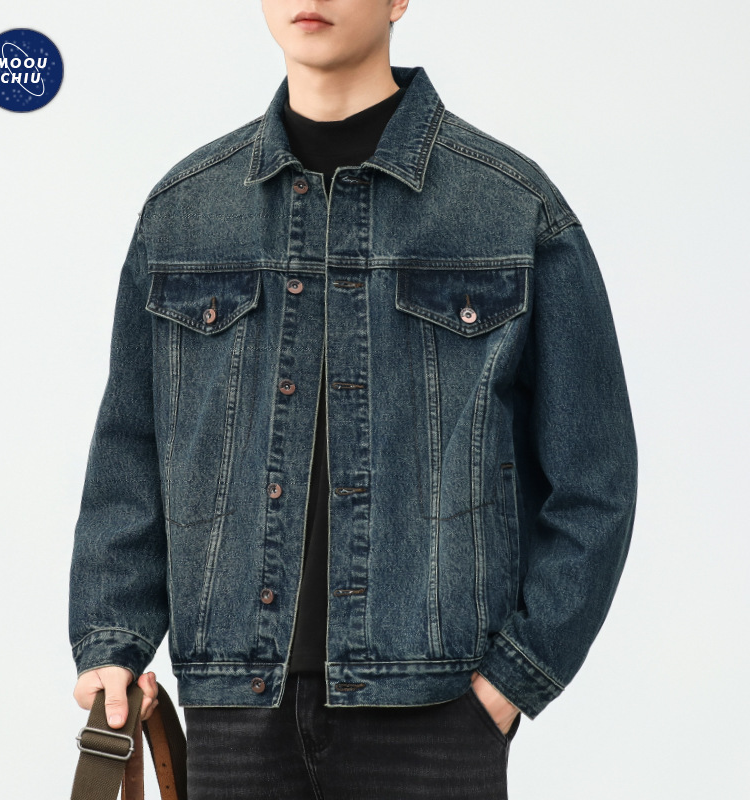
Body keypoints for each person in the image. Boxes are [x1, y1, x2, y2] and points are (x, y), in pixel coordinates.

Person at [70, 1, 638, 797]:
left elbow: (595, 478)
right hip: (234, 711)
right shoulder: (184, 213)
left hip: (436, 716)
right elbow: (131, 454)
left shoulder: (512, 207)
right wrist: (113, 643)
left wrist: (512, 682)